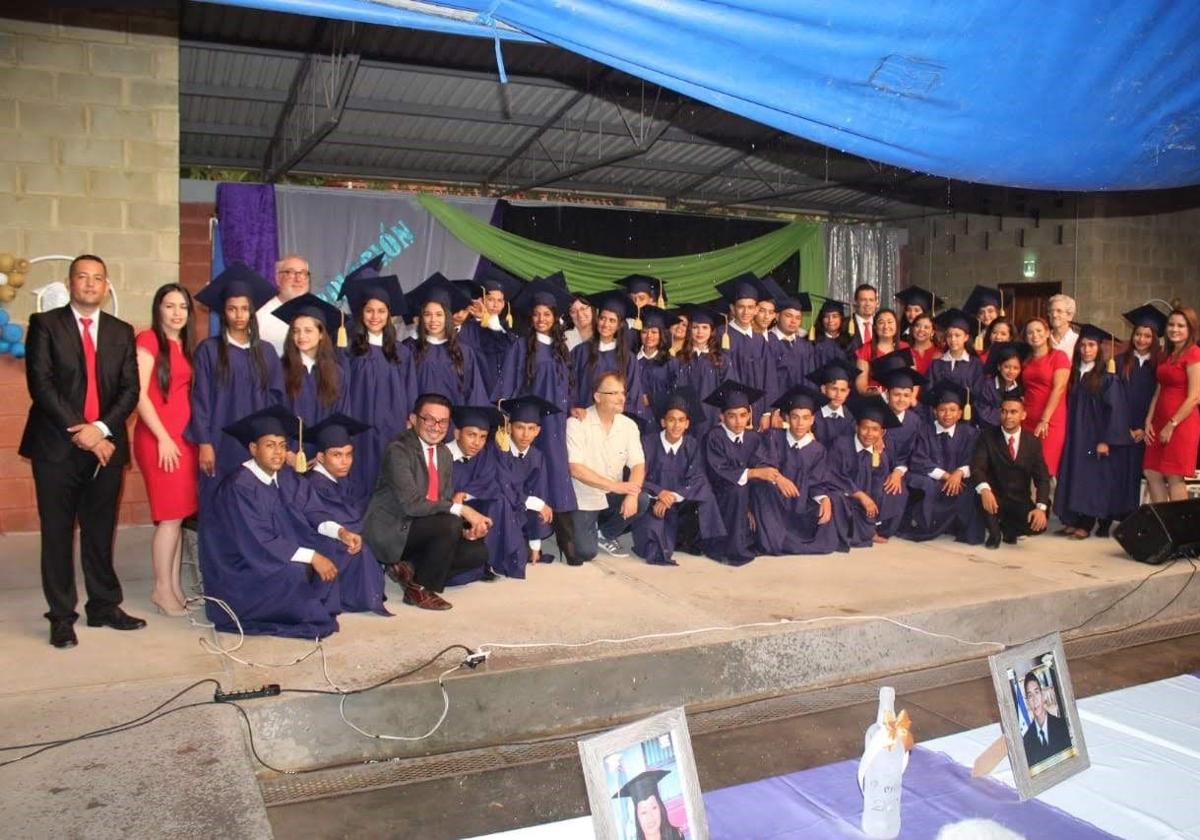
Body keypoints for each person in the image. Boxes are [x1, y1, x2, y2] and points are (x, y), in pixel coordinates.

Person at [21, 254, 143, 648]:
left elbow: (129, 390)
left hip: (106, 448)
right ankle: (60, 615)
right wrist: (85, 433)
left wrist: (102, 429)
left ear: (107, 287)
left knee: (100, 531)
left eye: (98, 279)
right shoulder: (45, 325)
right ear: (70, 283)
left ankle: (104, 606)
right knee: (57, 534)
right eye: (82, 277)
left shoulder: (121, 332)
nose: (90, 284)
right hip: (57, 447)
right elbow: (42, 385)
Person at [199, 405, 373, 638]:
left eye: (282, 446)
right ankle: (298, 608)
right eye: (270, 445)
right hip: (242, 566)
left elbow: (312, 511)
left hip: (277, 547)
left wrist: (341, 532)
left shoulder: (286, 476)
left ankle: (315, 602)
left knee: (336, 547)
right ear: (253, 448)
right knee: (294, 572)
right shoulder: (240, 486)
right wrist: (313, 556)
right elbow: (258, 541)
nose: (278, 453)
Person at [363, 393, 492, 610]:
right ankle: (420, 589)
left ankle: (409, 570)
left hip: (422, 528)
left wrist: (463, 532)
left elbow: (441, 502)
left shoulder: (443, 454)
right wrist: (462, 511)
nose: (436, 426)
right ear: (413, 420)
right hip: (393, 529)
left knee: (477, 552)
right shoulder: (398, 450)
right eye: (429, 419)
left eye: (442, 421)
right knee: (450, 522)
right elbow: (412, 504)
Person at [496, 276, 581, 563]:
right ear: (531, 318)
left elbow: (570, 387)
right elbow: (508, 386)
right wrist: (508, 421)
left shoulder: (561, 350)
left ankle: (567, 541)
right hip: (529, 425)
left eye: (547, 314)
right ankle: (529, 540)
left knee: (557, 475)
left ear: (555, 317)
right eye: (537, 315)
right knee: (530, 476)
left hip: (555, 424)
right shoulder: (521, 347)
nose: (542, 319)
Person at [188, 264, 284, 512]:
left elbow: (276, 402)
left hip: (257, 443)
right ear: (223, 312)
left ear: (252, 312)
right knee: (219, 503)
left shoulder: (267, 352)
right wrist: (204, 443)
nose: (239, 315)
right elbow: (200, 400)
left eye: (244, 309)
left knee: (256, 506)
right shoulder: (209, 350)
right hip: (220, 442)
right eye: (232, 309)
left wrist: (272, 443)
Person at [133, 283, 198, 617]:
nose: (176, 313)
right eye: (170, 306)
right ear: (158, 309)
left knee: (177, 517)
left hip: (183, 441)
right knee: (169, 518)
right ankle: (161, 589)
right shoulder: (148, 340)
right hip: (161, 441)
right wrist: (163, 437)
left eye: (183, 306)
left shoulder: (184, 345)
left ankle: (173, 586)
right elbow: (140, 395)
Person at [303, 413, 389, 616]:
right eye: (337, 455)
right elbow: (335, 518)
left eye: (348, 454)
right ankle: (351, 595)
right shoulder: (314, 483)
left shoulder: (339, 479)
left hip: (339, 532)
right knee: (358, 545)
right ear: (321, 457)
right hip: (320, 539)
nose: (345, 462)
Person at [340, 272, 417, 496]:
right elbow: (342, 390)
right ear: (361, 313)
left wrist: (409, 423)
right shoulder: (349, 350)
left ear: (389, 315)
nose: (375, 316)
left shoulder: (401, 352)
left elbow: (410, 392)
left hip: (391, 428)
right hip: (359, 425)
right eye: (369, 310)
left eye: (381, 311)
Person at [702, 379, 793, 566]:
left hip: (745, 494)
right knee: (737, 490)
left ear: (749, 414)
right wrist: (754, 474)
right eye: (732, 416)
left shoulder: (753, 437)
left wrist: (777, 477)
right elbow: (719, 472)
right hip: (720, 496)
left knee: (767, 486)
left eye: (743, 415)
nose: (738, 421)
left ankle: (769, 539)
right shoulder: (714, 437)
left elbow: (762, 463)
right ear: (722, 417)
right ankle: (733, 547)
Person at [631, 388, 725, 565]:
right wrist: (659, 493)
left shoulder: (692, 445)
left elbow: (697, 478)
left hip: (679, 504)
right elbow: (636, 476)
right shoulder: (647, 443)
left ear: (687, 424)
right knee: (654, 547)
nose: (676, 425)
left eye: (681, 420)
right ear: (663, 422)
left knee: (707, 495)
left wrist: (671, 496)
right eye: (671, 420)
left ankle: (694, 540)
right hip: (652, 503)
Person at [750, 385, 848, 555]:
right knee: (762, 490)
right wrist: (778, 478)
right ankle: (775, 538)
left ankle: (782, 538)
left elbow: (818, 482)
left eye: (805, 418)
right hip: (774, 502)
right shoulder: (773, 437)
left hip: (800, 504)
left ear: (812, 419)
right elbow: (761, 464)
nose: (800, 423)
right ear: (787, 417)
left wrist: (823, 498)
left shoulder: (818, 450)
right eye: (795, 417)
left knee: (831, 505)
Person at [1054, 325, 1130, 539]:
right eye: (1083, 345)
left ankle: (1086, 523)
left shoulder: (1107, 378)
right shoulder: (1073, 374)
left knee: (1090, 478)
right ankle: (1073, 518)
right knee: (1072, 474)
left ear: (1099, 348)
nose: (1086, 349)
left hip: (1094, 436)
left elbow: (1115, 411)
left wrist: (1106, 440)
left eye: (1092, 345)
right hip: (1074, 434)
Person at [566, 370, 649, 562]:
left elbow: (638, 464)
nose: (621, 398)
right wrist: (617, 487)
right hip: (585, 496)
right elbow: (576, 469)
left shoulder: (628, 425)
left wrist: (632, 494)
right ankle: (580, 526)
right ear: (597, 397)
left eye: (622, 393)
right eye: (614, 393)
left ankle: (606, 533)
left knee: (642, 500)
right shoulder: (577, 424)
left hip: (612, 495)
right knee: (585, 552)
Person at [443, 403, 521, 585]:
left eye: (483, 437)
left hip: (473, 508)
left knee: (499, 500)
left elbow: (491, 482)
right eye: (471, 435)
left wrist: (466, 493)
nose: (477, 442)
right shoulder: (441, 454)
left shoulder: (485, 455)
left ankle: (490, 561)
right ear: (457, 433)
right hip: (446, 512)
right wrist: (457, 503)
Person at [901, 379, 984, 544]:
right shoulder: (924, 430)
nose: (947, 415)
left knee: (969, 490)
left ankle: (956, 526)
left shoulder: (970, 433)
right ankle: (929, 525)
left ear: (960, 413)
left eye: (953, 410)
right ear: (934, 412)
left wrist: (959, 473)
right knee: (929, 486)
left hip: (959, 480)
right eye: (942, 410)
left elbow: (975, 458)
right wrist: (946, 475)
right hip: (932, 479)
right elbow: (918, 459)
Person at [971, 395, 1051, 548]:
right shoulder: (987, 436)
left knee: (1038, 525)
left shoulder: (1032, 442)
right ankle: (995, 532)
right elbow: (977, 467)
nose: (1008, 416)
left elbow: (1042, 477)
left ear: (1023, 415)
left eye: (1013, 412)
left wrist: (1040, 508)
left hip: (1019, 500)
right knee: (981, 498)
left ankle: (1009, 529)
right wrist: (985, 490)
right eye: (1004, 411)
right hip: (994, 498)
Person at [405, 273, 490, 407]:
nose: (433, 320)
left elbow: (474, 395)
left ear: (448, 317)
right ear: (420, 318)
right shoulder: (408, 350)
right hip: (418, 423)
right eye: (427, 314)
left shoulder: (465, 352)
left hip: (453, 425)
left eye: (439, 314)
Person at [1113, 305, 1165, 518]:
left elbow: (1160, 398)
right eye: (1138, 334)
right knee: (1117, 472)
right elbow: (1113, 397)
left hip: (1147, 427)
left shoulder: (1160, 365)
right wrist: (1123, 427)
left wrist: (1145, 427)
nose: (1142, 340)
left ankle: (1135, 517)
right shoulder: (1118, 362)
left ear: (1154, 339)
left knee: (1140, 473)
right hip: (1120, 426)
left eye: (1147, 336)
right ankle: (1113, 516)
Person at [1143, 306, 1200, 502]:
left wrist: (1171, 424)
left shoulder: (1194, 354)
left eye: (1181, 326)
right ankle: (1164, 526)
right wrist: (1149, 419)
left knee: (1174, 476)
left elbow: (1194, 397)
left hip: (1181, 423)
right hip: (1159, 421)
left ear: (1190, 329)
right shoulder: (1166, 354)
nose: (1174, 329)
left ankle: (1180, 530)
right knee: (1152, 472)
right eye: (1171, 324)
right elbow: (1159, 389)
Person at [827, 395, 900, 546]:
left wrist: (870, 498)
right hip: (841, 493)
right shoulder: (841, 445)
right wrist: (860, 495)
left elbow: (878, 481)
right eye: (865, 428)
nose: (869, 434)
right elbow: (832, 474)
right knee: (838, 500)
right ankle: (862, 533)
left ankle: (870, 530)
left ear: (882, 433)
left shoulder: (878, 453)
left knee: (889, 490)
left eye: (875, 430)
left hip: (863, 501)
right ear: (856, 427)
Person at [274, 293, 352, 434]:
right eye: (296, 331)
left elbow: (341, 416)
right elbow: (275, 414)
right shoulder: (280, 370)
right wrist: (289, 451)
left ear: (321, 334)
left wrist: (326, 449)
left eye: (308, 331)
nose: (301, 336)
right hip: (289, 452)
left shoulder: (337, 373)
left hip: (325, 451)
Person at [498, 395, 559, 569]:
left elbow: (538, 495)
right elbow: (502, 489)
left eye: (531, 428)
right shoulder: (499, 450)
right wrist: (535, 503)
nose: (526, 434)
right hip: (498, 515)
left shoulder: (537, 456)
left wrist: (535, 544)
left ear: (538, 431)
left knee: (521, 554)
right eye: (520, 427)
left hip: (521, 516)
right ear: (509, 427)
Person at [715, 273, 778, 431]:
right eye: (741, 307)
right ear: (732, 308)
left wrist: (767, 413)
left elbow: (769, 378)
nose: (745, 312)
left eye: (750, 307)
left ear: (757, 309)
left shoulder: (760, 340)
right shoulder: (722, 335)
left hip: (758, 412)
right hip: (731, 412)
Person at [872, 357, 926, 538]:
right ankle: (870, 526)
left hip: (900, 470)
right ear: (887, 394)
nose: (901, 399)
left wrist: (898, 472)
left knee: (897, 489)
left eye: (906, 395)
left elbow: (915, 453)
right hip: (874, 467)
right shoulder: (875, 416)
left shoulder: (915, 421)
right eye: (896, 394)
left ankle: (885, 528)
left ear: (912, 396)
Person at [571, 290, 643, 416]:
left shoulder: (628, 358)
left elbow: (633, 394)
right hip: (585, 420)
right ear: (597, 319)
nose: (605, 324)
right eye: (602, 318)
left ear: (619, 325)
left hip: (616, 423)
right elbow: (570, 386)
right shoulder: (580, 352)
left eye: (612, 320)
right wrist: (574, 408)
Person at [666, 304, 732, 440]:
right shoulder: (680, 358)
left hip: (713, 420)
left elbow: (728, 392)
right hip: (686, 421)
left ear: (712, 331)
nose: (700, 332)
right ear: (690, 330)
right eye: (695, 327)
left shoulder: (721, 360)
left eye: (705, 327)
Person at [1021, 316, 1071, 476]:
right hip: (1028, 418)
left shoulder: (1058, 356)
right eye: (1030, 332)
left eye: (1038, 331)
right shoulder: (1026, 360)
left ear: (1048, 333)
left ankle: (1043, 501)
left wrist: (1045, 419)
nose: (1034, 335)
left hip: (1050, 420)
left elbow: (1059, 388)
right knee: (1027, 468)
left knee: (1044, 468)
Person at [765, 292, 818, 416]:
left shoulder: (806, 347)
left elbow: (810, 383)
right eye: (788, 316)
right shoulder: (766, 342)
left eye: (798, 317)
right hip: (775, 411)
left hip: (800, 412)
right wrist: (771, 411)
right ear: (777, 316)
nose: (794, 321)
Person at [926, 309, 984, 414]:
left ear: (966, 337)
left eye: (957, 335)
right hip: (940, 418)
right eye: (949, 335)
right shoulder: (936, 365)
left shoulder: (976, 365)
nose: (953, 339)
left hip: (968, 419)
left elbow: (980, 395)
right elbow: (928, 394)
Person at [257, 253, 313, 356]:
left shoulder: (317, 313)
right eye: (290, 273)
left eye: (303, 273)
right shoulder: (260, 317)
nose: (298, 279)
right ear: (278, 279)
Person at [613, 769, 686, 840]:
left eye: (654, 807)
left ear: (660, 808)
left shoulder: (676, 836)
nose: (650, 817)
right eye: (643, 812)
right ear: (637, 817)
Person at [1021, 671, 1072, 767]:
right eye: (1030, 696)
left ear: (1042, 695)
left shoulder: (1061, 725)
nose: (1034, 700)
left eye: (1036, 692)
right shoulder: (1026, 740)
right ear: (1027, 702)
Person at [975, 341, 1030, 429]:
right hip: (989, 431)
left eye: (1016, 368)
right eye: (1006, 367)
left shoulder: (1020, 389)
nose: (1011, 372)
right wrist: (1006, 419)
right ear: (999, 367)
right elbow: (982, 411)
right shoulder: (988, 385)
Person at [633, 305, 674, 424]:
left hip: (659, 420)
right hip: (633, 417)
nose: (649, 336)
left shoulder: (671, 362)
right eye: (644, 332)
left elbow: (675, 392)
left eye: (654, 332)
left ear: (661, 334)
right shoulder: (631, 360)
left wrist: (651, 399)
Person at [855, 309, 909, 394]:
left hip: (900, 399)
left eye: (890, 322)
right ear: (875, 327)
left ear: (897, 326)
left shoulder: (905, 347)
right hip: (875, 400)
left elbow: (913, 378)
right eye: (881, 322)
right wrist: (877, 393)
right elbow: (861, 385)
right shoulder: (866, 349)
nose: (886, 326)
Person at [807, 359, 856, 444]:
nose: (838, 395)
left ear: (848, 392)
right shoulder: (812, 416)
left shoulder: (851, 418)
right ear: (823, 389)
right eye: (834, 389)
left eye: (843, 390)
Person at [812, 297, 855, 365]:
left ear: (841, 318)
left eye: (835, 316)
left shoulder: (849, 342)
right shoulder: (813, 342)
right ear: (821, 319)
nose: (830, 320)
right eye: (826, 316)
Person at [1047, 294, 1080, 361]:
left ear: (1069, 316)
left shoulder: (1078, 341)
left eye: (1059, 311)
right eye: (1051, 311)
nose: (1054, 315)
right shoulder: (1043, 340)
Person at [849, 283, 879, 351]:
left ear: (876, 303)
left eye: (871, 300)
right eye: (863, 300)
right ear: (856, 302)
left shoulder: (881, 324)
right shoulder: (845, 325)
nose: (867, 304)